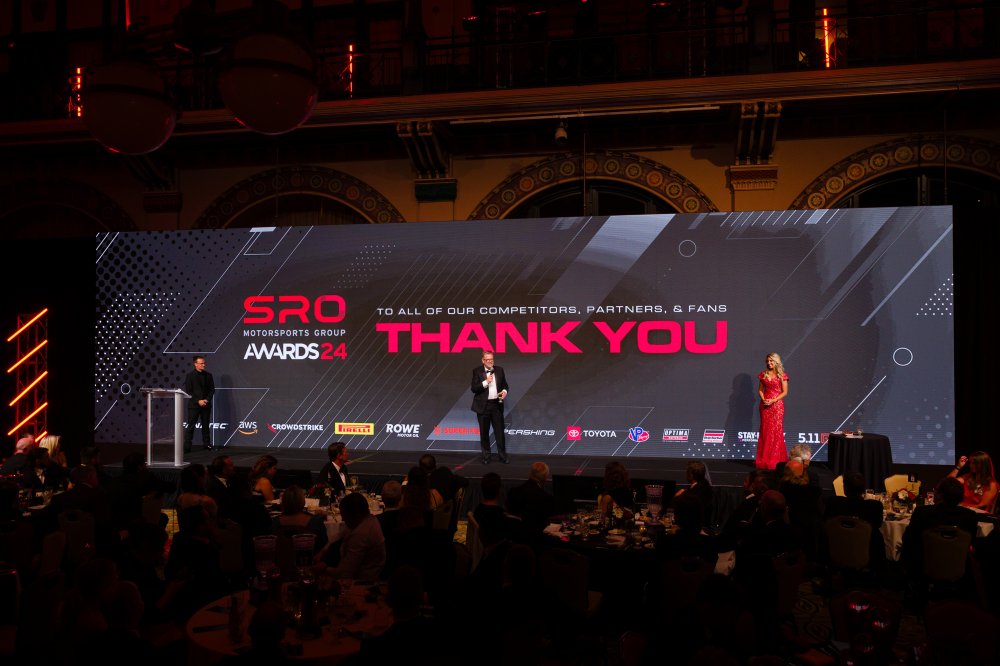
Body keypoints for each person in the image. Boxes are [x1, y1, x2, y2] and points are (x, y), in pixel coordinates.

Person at [471, 350, 510, 464]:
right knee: (484, 433)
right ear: (483, 360)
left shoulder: (500, 370)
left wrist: (504, 392)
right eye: (487, 360)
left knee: (500, 433)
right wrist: (485, 382)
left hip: (496, 405)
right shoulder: (477, 371)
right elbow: (474, 388)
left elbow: (505, 385)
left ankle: (502, 456)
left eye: (491, 359)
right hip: (483, 406)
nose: (490, 361)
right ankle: (486, 457)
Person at [755, 352, 789, 470]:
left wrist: (773, 400)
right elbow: (760, 390)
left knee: (776, 432)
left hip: (777, 406)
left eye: (771, 361)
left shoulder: (782, 375)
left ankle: (775, 460)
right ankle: (764, 459)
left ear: (776, 362)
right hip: (765, 406)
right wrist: (764, 399)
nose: (769, 363)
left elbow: (785, 392)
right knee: (765, 431)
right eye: (767, 361)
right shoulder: (763, 374)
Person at [183, 355, 215, 452]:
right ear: (195, 364)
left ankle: (207, 444)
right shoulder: (190, 376)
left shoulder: (209, 375)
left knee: (206, 425)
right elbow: (189, 391)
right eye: (201, 363)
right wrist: (198, 401)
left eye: (204, 363)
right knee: (191, 426)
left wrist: (206, 400)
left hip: (206, 404)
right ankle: (187, 447)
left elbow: (212, 390)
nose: (204, 365)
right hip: (194, 405)